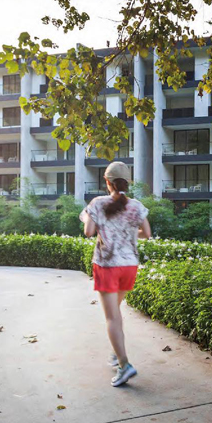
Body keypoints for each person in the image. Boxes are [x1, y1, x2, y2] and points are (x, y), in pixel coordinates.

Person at [80, 161, 151, 387]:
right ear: (127, 182)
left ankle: (124, 364)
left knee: (111, 317)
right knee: (116, 313)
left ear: (107, 181)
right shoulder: (136, 205)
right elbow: (147, 233)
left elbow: (89, 232)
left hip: (107, 265)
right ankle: (116, 351)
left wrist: (91, 220)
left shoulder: (97, 203)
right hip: (129, 266)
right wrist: (126, 232)